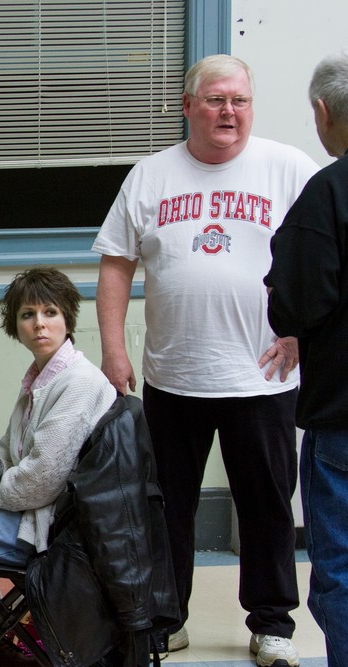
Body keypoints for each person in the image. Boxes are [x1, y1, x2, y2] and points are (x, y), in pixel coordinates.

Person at [92, 54, 318, 667]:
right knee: (167, 508)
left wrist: (302, 332)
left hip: (264, 377)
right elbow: (116, 264)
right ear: (188, 105)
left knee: (269, 505)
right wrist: (113, 348)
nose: (229, 112)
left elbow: (324, 261)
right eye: (215, 100)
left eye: (239, 100)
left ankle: (271, 624)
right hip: (174, 376)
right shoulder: (150, 175)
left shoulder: (290, 168)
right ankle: (169, 618)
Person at [0, 267, 116, 640]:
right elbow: (3, 456)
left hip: (51, 529)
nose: (39, 324)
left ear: (67, 318)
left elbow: (38, 482)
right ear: (15, 326)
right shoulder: (41, 376)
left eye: (50, 312)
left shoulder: (78, 382)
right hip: (32, 513)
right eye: (27, 315)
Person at [265, 51, 348, 667]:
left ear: (322, 112)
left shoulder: (329, 192)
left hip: (342, 418)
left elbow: (296, 301)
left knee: (343, 564)